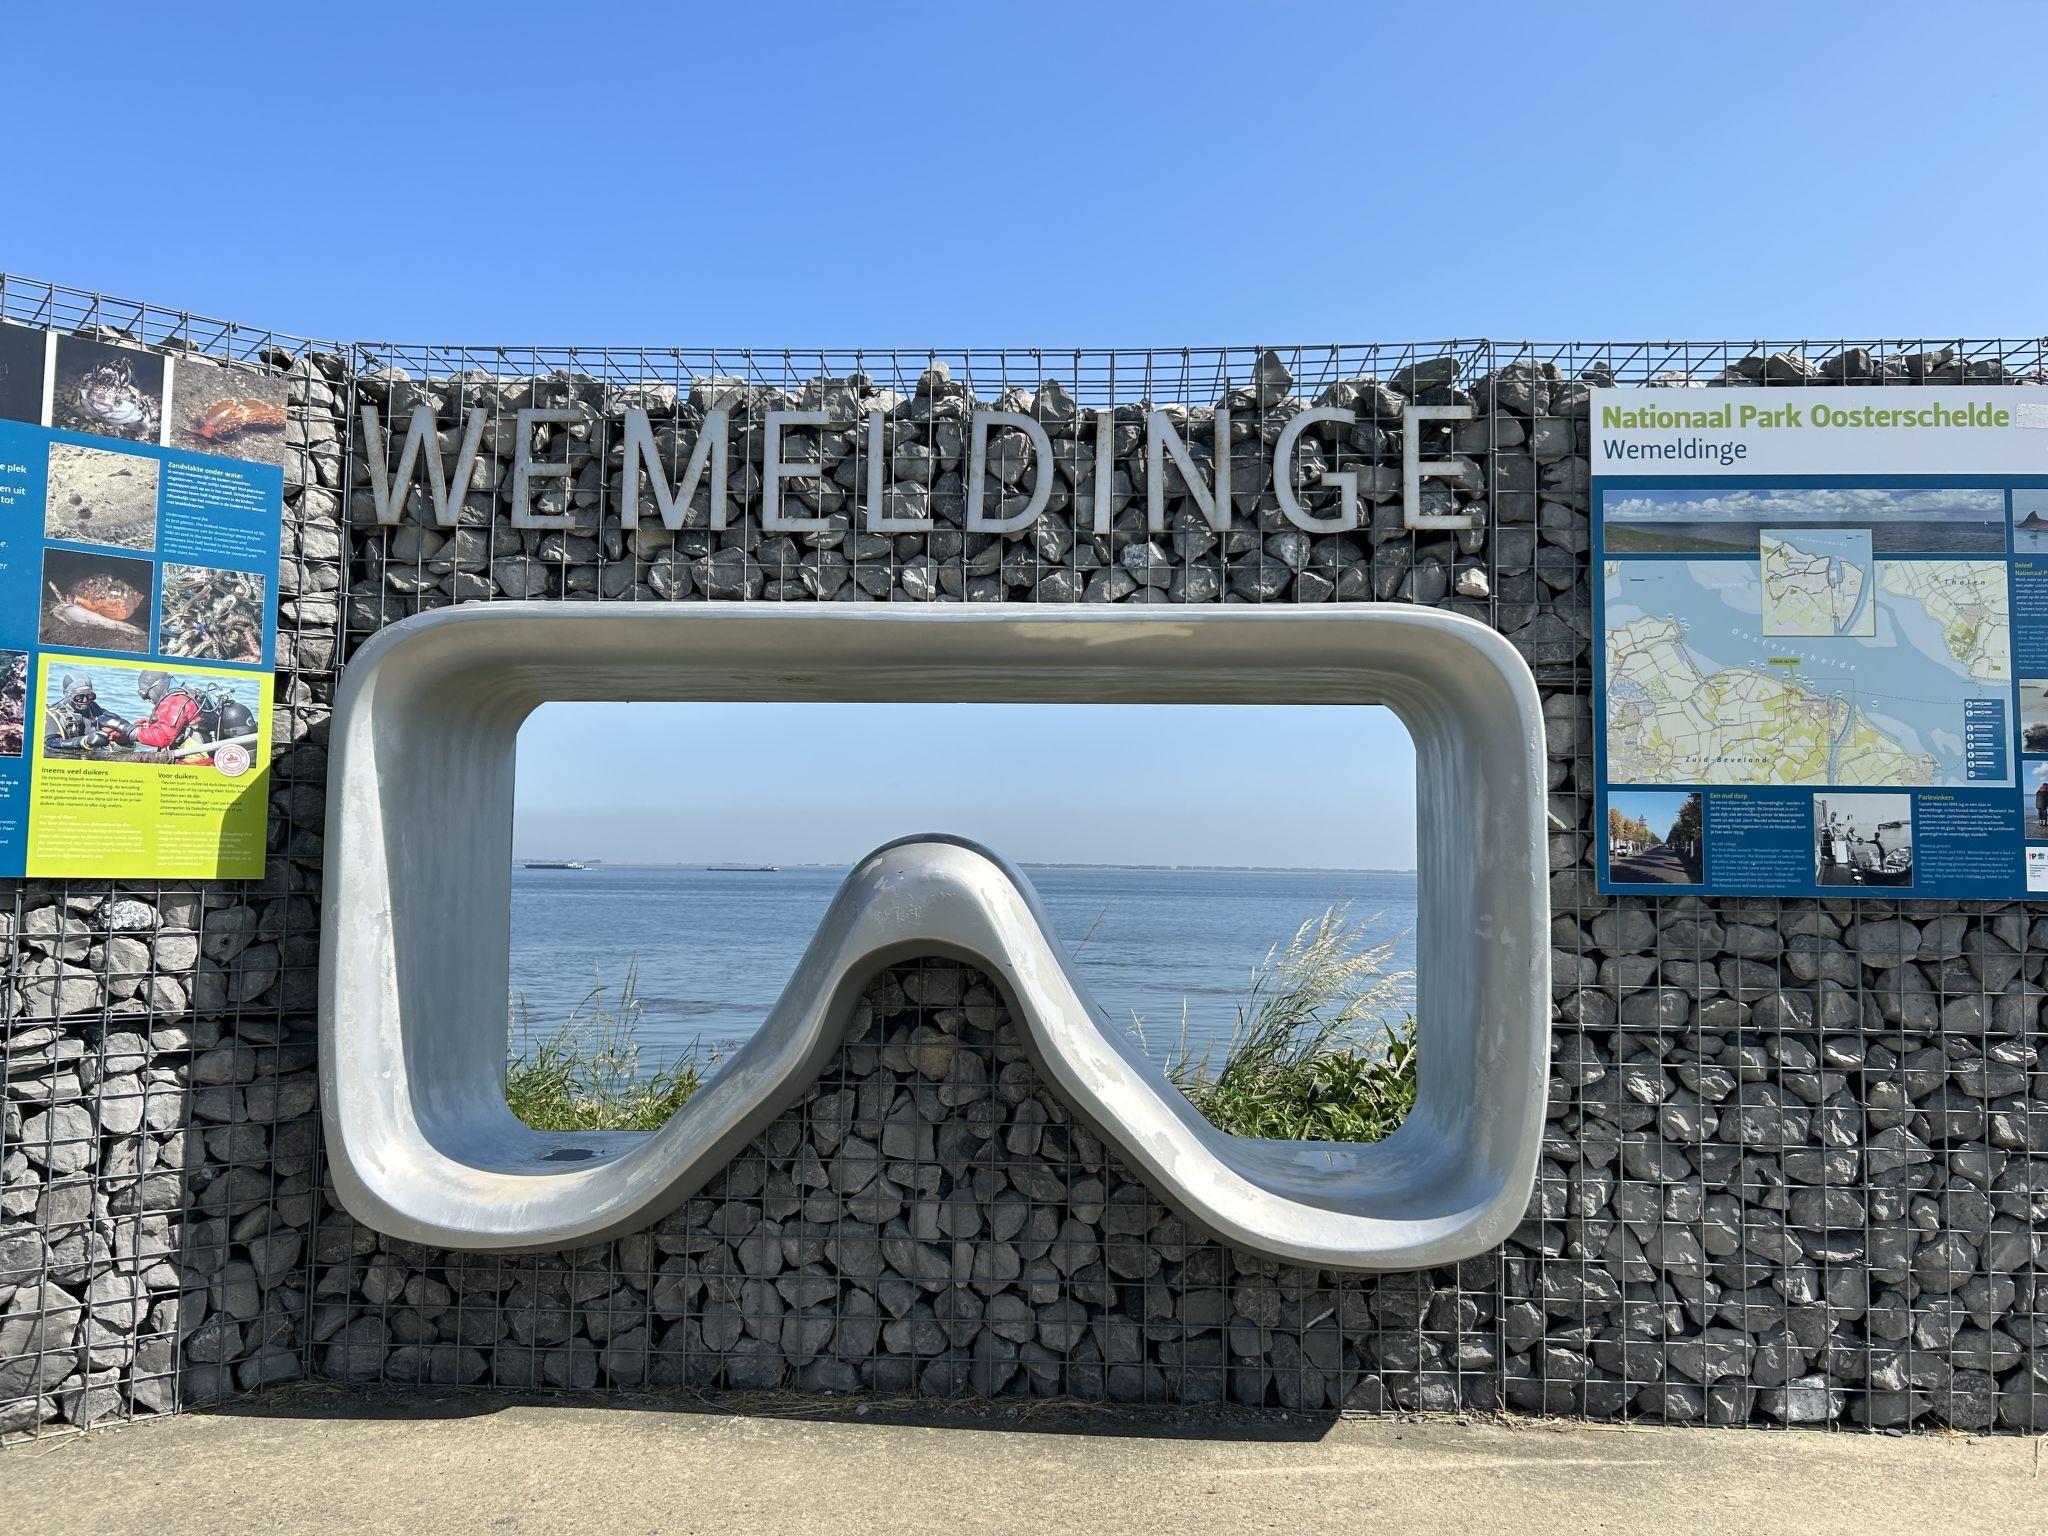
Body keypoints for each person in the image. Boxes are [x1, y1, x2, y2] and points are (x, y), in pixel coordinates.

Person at [42, 673, 131, 754]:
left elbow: (128, 738)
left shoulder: (97, 712)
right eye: (79, 697)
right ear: (67, 695)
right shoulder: (54, 716)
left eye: (89, 696)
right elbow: (50, 743)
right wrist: (84, 741)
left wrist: (122, 739)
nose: (85, 700)